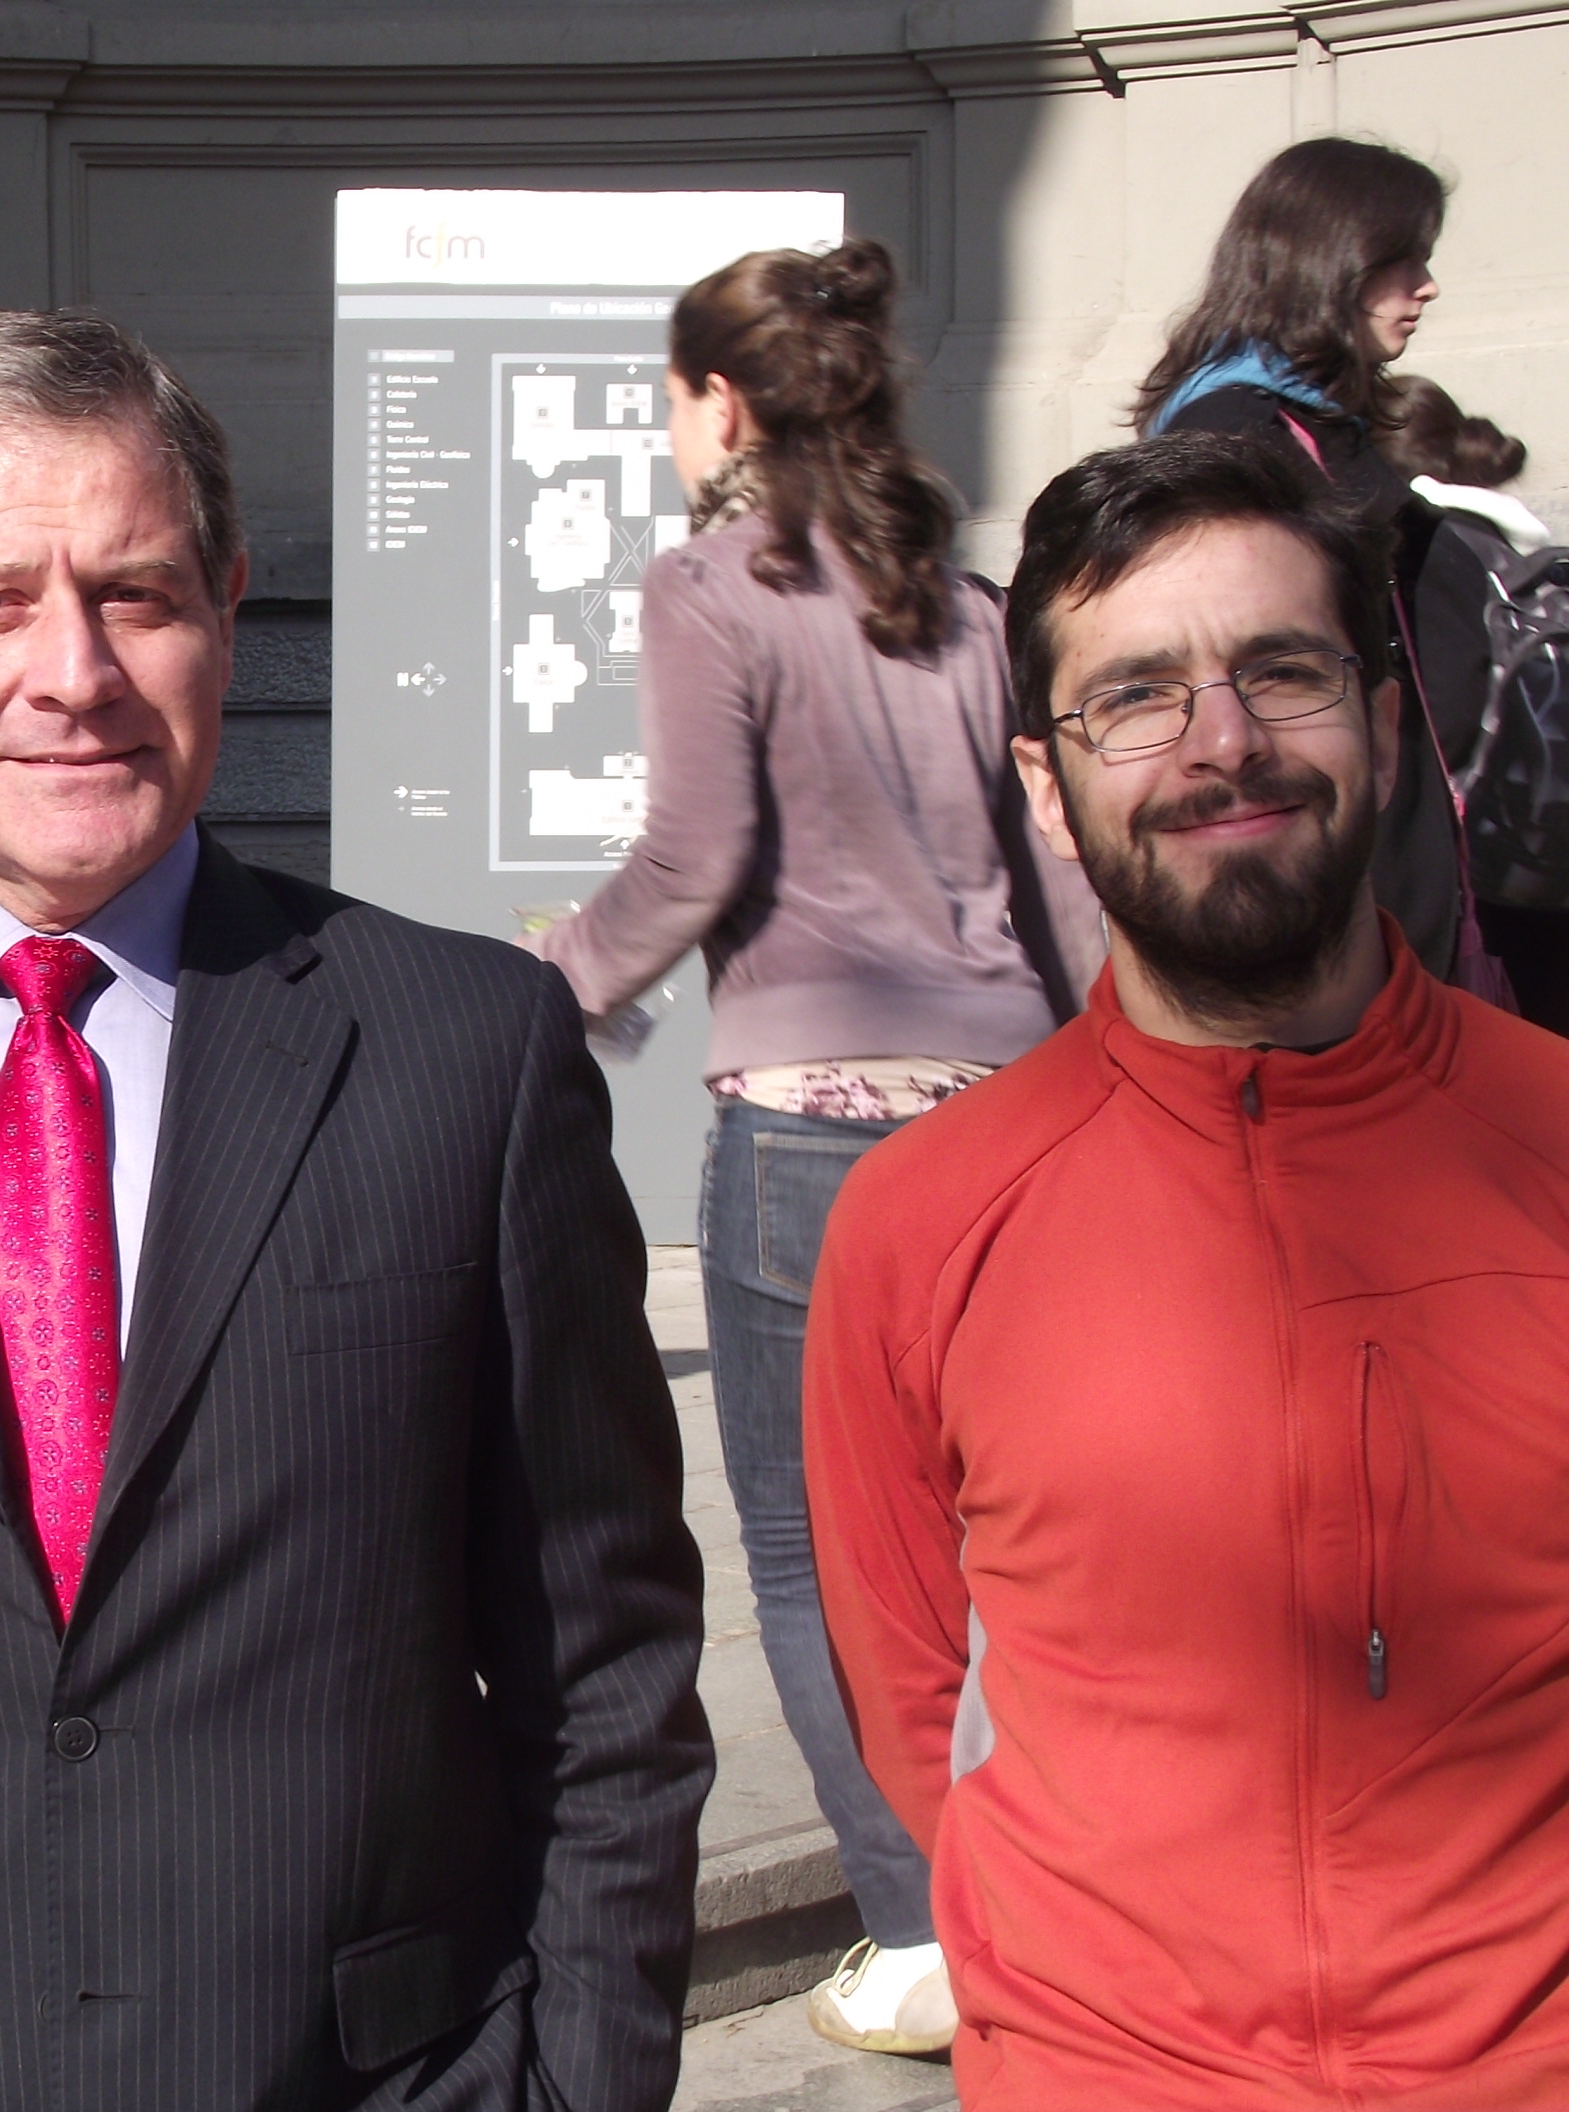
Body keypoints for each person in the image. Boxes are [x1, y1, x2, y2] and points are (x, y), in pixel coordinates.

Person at [0, 308, 714, 2112]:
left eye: (138, 596)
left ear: (225, 611)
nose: (74, 670)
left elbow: (605, 1671)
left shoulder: (463, 1053)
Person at [806, 431, 1569, 2107]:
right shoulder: (921, 1225)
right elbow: (924, 1709)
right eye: (1136, 697)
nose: (1223, 743)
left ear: (1383, 725)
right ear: (1047, 785)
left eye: (1282, 671)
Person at [525, 237, 1101, 2059]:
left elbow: (690, 861)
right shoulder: (967, 601)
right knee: (1007, 1537)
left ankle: (924, 1925)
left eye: (671, 397)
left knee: (807, 1551)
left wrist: (547, 990)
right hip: (1013, 1118)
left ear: (723, 402)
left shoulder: (710, 588)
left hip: (809, 1130)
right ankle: (1048, 1890)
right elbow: (1059, 881)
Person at [1136, 137, 1492, 990]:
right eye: (1404, 261)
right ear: (1332, 261)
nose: (1426, 288)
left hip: (1395, 887)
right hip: (1337, 915)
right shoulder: (1236, 432)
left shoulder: (1307, 426)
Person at [1377, 377, 1569, 1028]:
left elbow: (1451, 710)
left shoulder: (1434, 544)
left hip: (1490, 854)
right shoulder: (1513, 542)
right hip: (1546, 831)